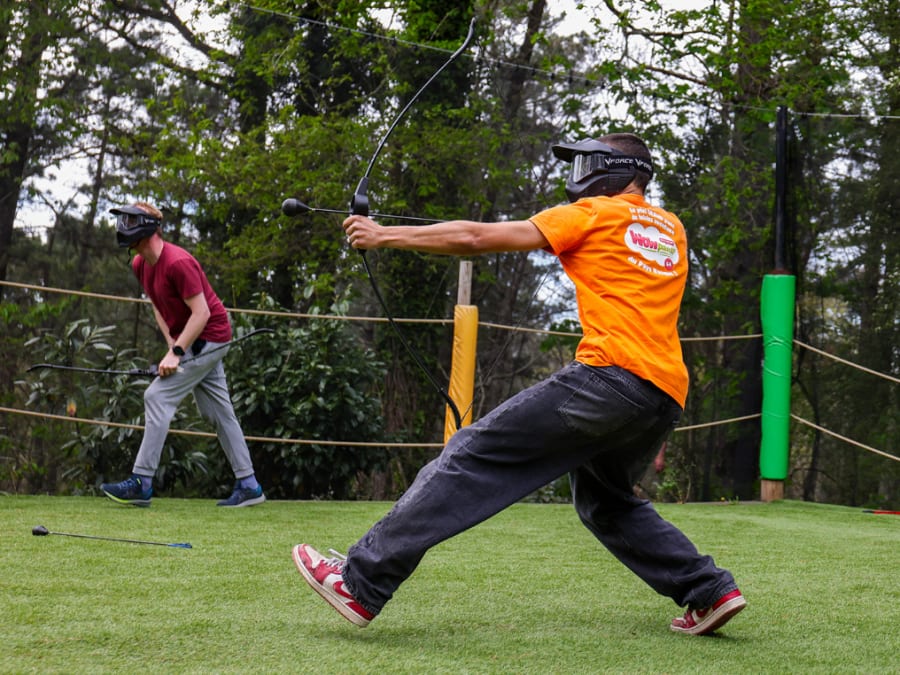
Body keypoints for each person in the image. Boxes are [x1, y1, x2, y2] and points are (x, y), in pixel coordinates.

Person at [292, 133, 745, 635]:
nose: (575, 176)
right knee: (607, 502)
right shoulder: (671, 227)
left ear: (609, 168)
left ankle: (359, 583)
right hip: (660, 395)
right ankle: (707, 590)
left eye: (583, 163)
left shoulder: (594, 212)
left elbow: (476, 239)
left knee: (471, 455)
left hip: (607, 379)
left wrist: (383, 235)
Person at [100, 202, 265, 508]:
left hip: (210, 338)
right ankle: (249, 484)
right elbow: (157, 306)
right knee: (218, 413)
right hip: (189, 340)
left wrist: (178, 352)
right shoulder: (140, 264)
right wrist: (172, 345)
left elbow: (201, 313)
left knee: (156, 397)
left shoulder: (178, 263)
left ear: (147, 227)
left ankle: (141, 482)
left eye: (130, 220)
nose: (123, 225)